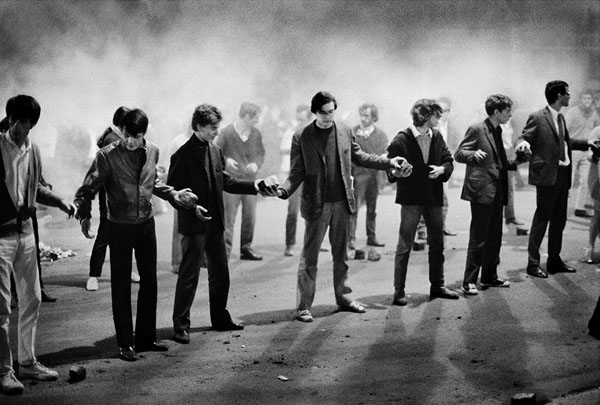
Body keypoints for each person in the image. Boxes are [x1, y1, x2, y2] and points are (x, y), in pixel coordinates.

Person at [74, 108, 197, 362]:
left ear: (144, 134)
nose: (130, 141)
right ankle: (125, 343)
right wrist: (84, 213)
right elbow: (88, 187)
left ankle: (145, 338)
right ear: (122, 131)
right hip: (118, 226)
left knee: (149, 283)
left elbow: (153, 183)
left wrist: (173, 194)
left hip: (145, 225)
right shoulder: (106, 155)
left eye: (136, 136)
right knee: (120, 286)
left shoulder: (152, 150)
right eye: (127, 135)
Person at [276, 91, 410, 322]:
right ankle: (304, 306)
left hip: (342, 202)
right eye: (323, 113)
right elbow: (297, 171)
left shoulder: (345, 130)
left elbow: (360, 157)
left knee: (341, 255)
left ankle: (344, 297)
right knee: (310, 257)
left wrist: (388, 162)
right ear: (314, 112)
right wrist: (283, 189)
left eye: (331, 112)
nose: (328, 117)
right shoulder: (302, 136)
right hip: (317, 205)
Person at [168, 104, 278, 343]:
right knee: (189, 276)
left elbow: (227, 182)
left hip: (215, 224)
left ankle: (220, 318)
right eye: (211, 128)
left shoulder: (215, 151)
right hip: (194, 226)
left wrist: (256, 184)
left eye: (217, 128)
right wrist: (190, 207)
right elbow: (173, 193)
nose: (216, 132)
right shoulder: (182, 155)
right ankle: (181, 326)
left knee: (221, 274)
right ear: (198, 126)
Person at [0, 95, 76, 395]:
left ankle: (28, 362)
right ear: (9, 120)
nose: (23, 132)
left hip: (26, 234)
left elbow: (37, 188)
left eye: (29, 126)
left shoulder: (34, 150)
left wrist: (59, 201)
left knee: (32, 298)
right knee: (2, 307)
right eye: (19, 124)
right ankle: (4, 371)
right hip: (0, 237)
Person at [515, 80, 597, 278]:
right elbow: (523, 137)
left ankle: (554, 260)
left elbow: (566, 143)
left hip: (562, 175)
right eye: (567, 93)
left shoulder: (560, 118)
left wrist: (589, 143)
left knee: (559, 221)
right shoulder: (538, 117)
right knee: (541, 220)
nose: (570, 96)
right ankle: (533, 264)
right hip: (547, 177)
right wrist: (523, 144)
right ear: (559, 96)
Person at [387, 99, 459, 306]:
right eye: (437, 115)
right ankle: (399, 291)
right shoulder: (402, 139)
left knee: (437, 243)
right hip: (411, 199)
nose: (440, 118)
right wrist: (396, 172)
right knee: (404, 245)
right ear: (426, 117)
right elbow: (389, 168)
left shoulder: (436, 136)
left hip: (433, 197)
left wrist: (443, 169)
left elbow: (448, 159)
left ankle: (438, 286)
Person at [455, 95, 526, 296]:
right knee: (478, 237)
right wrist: (472, 155)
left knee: (495, 235)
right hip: (481, 190)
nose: (510, 115)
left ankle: (489, 276)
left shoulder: (497, 129)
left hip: (496, 190)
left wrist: (518, 160)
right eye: (507, 111)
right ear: (497, 111)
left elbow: (500, 163)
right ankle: (469, 280)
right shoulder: (477, 128)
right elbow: (459, 153)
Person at [85, 106, 138, 292]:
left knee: (127, 234)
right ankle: (93, 276)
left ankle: (126, 271)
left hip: (122, 195)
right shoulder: (112, 140)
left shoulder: (118, 137)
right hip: (110, 196)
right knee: (105, 234)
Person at [215, 102, 266, 260]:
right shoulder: (227, 132)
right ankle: (225, 252)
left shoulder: (256, 133)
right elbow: (216, 153)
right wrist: (226, 160)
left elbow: (261, 154)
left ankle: (246, 248)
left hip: (250, 182)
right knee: (228, 218)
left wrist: (256, 164)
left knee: (250, 217)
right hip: (231, 183)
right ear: (246, 116)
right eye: (255, 118)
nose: (258, 121)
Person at [348, 103, 389, 250]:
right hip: (358, 175)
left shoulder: (380, 135)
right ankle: (350, 239)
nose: (363, 118)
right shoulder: (352, 132)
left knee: (372, 209)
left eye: (367, 116)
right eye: (362, 115)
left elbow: (385, 154)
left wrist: (383, 177)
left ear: (374, 118)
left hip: (374, 176)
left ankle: (371, 237)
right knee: (354, 208)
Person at [281, 105, 313, 257]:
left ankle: (313, 242)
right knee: (293, 211)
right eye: (299, 119)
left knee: (314, 212)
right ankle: (290, 244)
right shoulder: (291, 132)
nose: (301, 122)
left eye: (304, 119)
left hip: (312, 177)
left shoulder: (315, 131)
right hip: (296, 176)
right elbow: (284, 150)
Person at [565, 90, 600, 218]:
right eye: (585, 99)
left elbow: (597, 128)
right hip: (573, 150)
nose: (587, 101)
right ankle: (560, 206)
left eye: (589, 99)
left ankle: (580, 208)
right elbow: (565, 132)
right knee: (568, 180)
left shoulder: (594, 113)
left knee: (585, 181)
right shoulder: (572, 112)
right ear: (580, 100)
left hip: (587, 151)